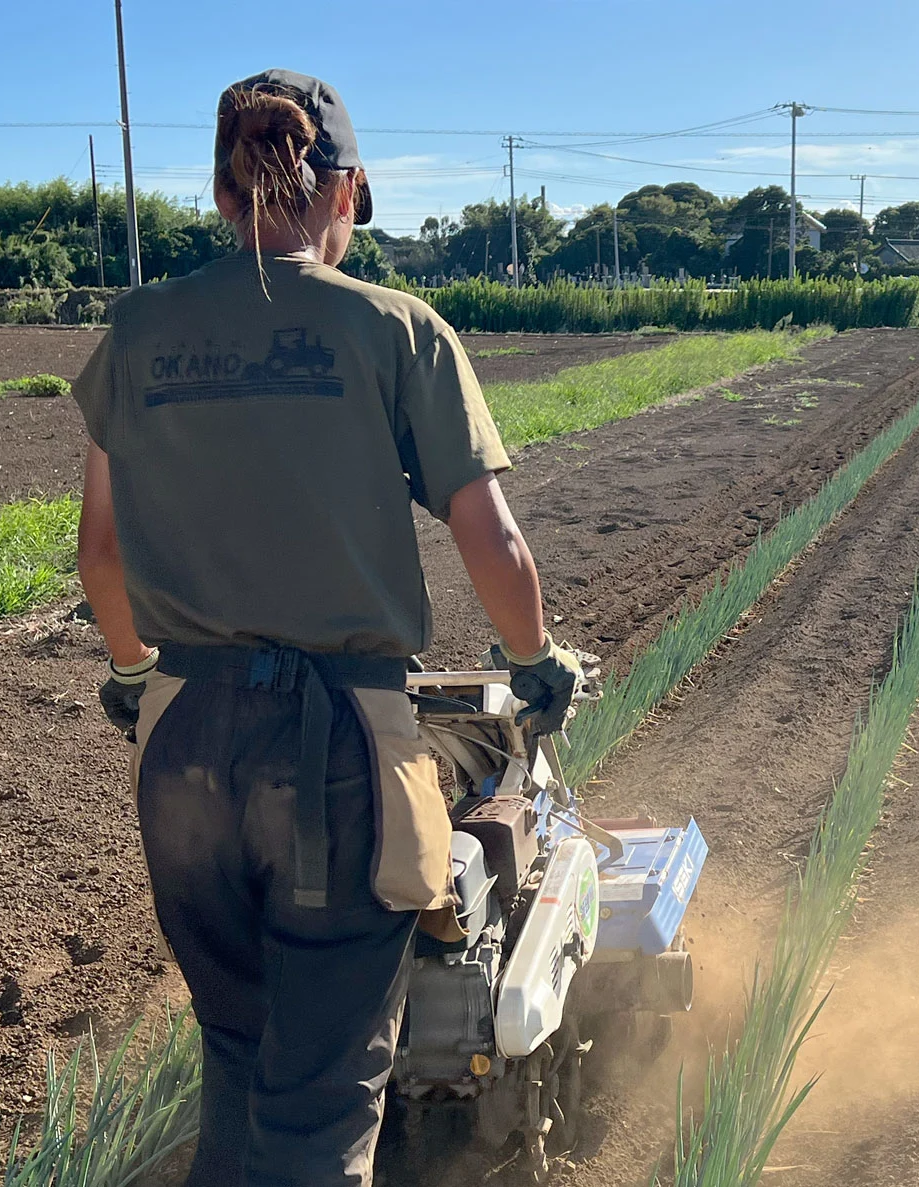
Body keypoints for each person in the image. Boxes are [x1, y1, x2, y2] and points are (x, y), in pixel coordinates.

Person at [71, 69, 586, 1187]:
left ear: (219, 192)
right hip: (335, 758)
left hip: (182, 749)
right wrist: (535, 660)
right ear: (346, 190)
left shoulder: (140, 330)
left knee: (241, 1066)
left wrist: (129, 674)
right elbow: (492, 544)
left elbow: (100, 554)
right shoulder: (397, 329)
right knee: (318, 1116)